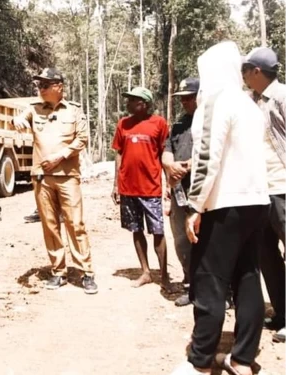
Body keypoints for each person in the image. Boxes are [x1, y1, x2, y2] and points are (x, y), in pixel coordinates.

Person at [171, 41, 270, 375]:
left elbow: (205, 159)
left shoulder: (215, 102)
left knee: (209, 279)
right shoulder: (249, 105)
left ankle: (199, 362)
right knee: (247, 277)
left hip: (224, 204)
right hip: (257, 202)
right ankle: (242, 359)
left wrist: (195, 206)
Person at [13, 68, 97, 293]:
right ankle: (58, 271)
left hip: (68, 177)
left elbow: (82, 139)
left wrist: (60, 156)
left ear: (59, 87)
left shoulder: (74, 111)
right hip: (41, 178)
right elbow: (20, 118)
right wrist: (18, 120)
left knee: (75, 224)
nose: (40, 89)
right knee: (50, 225)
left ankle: (86, 272)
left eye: (45, 85)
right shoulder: (34, 110)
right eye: (39, 85)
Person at [241, 46, 286, 344]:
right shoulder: (250, 101)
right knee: (267, 254)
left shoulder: (281, 97)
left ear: (257, 71)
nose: (243, 75)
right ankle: (282, 313)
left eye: (245, 70)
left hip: (283, 185)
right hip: (260, 189)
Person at [111, 87, 171, 290]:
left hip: (151, 188)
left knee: (158, 232)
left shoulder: (159, 124)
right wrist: (116, 184)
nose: (127, 104)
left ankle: (164, 277)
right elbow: (118, 154)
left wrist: (169, 182)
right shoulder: (123, 124)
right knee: (136, 230)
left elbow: (165, 154)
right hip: (128, 188)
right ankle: (145, 272)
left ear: (144, 104)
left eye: (132, 101)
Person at [162, 78, 199, 306]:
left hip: (203, 192)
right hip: (179, 192)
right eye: (182, 98)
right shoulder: (178, 126)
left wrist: (189, 165)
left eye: (189, 97)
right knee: (181, 240)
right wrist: (170, 166)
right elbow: (166, 151)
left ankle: (223, 292)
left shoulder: (210, 122)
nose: (184, 102)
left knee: (207, 241)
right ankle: (190, 285)